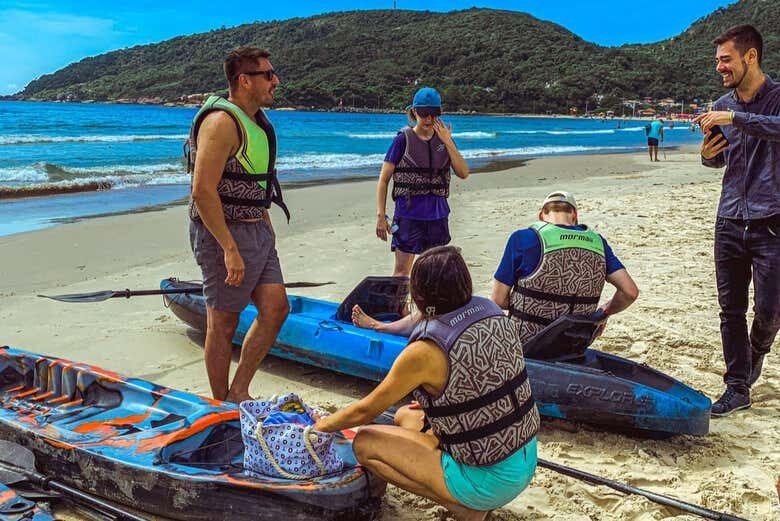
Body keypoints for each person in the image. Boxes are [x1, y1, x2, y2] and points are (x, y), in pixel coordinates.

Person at [314, 246, 539, 521]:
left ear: (420, 295)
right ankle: (465, 491)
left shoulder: (425, 351)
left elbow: (365, 411)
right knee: (406, 415)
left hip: (488, 481)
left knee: (365, 442)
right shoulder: (492, 312)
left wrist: (319, 427)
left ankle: (466, 508)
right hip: (524, 457)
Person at [187, 47, 290, 403]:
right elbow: (202, 191)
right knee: (223, 322)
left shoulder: (257, 122)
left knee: (276, 308)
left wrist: (265, 223)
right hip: (223, 234)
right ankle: (220, 402)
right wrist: (230, 248)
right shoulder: (221, 123)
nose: (275, 81)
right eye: (268, 75)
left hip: (256, 229)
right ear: (244, 80)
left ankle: (238, 391)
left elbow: (256, 184)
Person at [693, 24, 780, 416]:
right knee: (730, 309)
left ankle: (756, 352)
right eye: (717, 61)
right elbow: (719, 161)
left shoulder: (776, 99)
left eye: (725, 59)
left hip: (772, 222)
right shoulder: (722, 105)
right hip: (729, 218)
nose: (720, 68)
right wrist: (708, 153)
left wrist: (737, 118)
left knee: (769, 311)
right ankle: (737, 386)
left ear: (750, 57)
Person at [491, 191, 639, 345]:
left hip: (526, 344)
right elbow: (630, 292)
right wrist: (604, 311)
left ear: (541, 216)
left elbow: (497, 300)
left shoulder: (522, 238)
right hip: (575, 344)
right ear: (574, 215)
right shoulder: (598, 243)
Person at [375, 87, 469, 277]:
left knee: (435, 272)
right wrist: (381, 216)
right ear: (414, 112)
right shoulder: (402, 140)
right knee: (402, 272)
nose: (428, 119)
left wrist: (448, 141)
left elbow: (463, 172)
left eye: (434, 114)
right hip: (409, 215)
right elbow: (384, 179)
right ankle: (400, 307)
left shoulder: (445, 141)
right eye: (424, 114)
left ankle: (430, 307)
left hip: (437, 216)